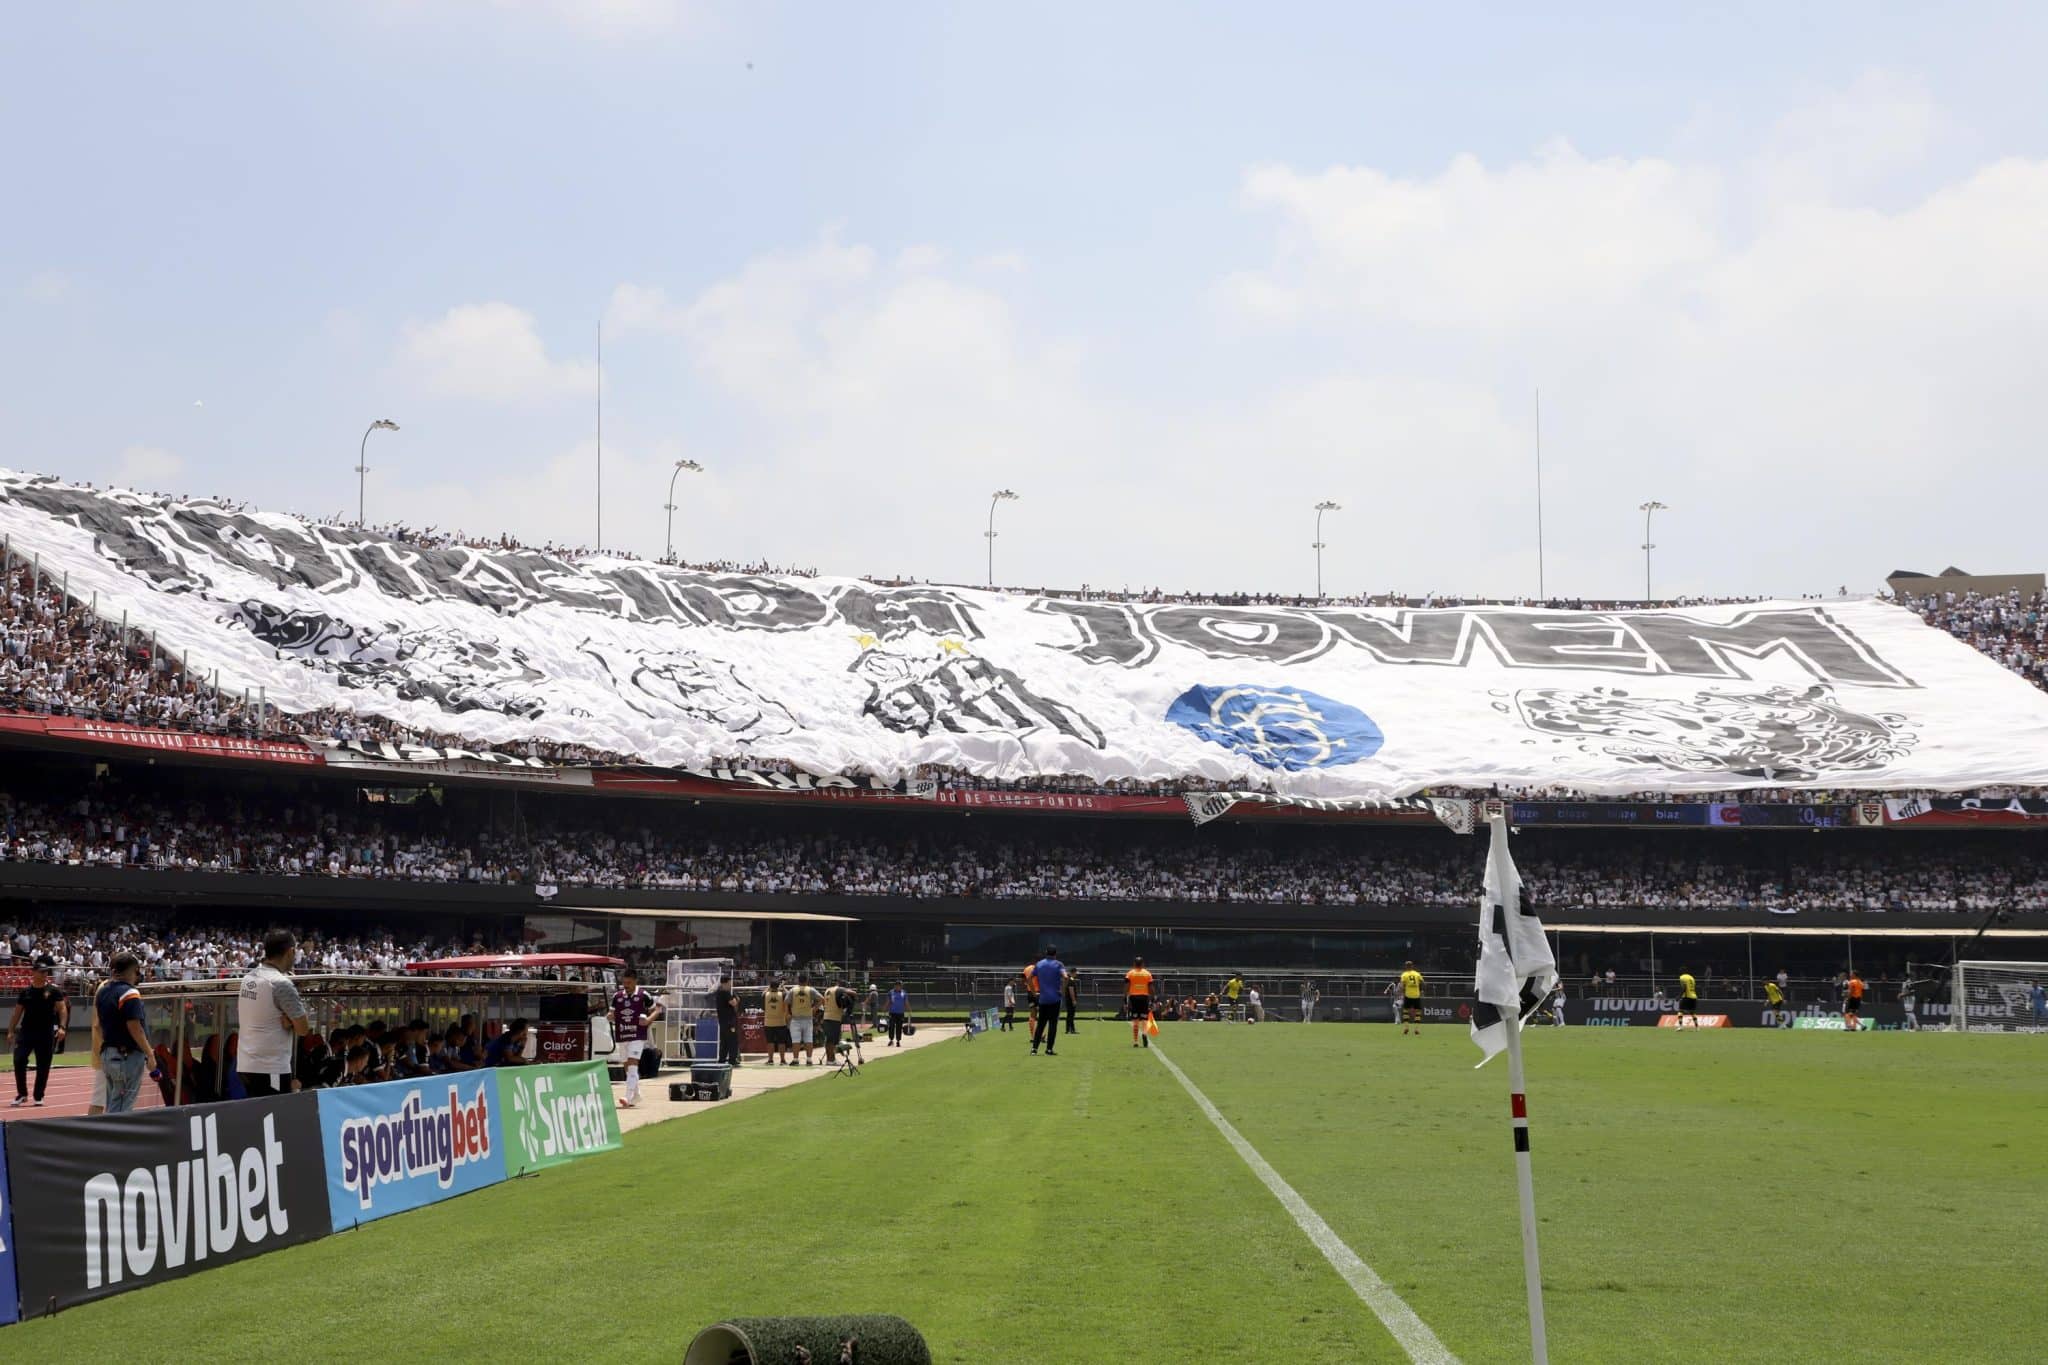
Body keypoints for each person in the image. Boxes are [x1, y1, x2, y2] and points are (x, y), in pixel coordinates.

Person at [236, 930, 311, 1098]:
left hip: (246, 1064)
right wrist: (291, 1022)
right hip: (271, 1068)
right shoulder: (281, 983)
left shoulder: (248, 978)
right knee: (274, 1120)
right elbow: (303, 1029)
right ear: (290, 951)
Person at [96, 952, 154, 1114]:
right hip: (126, 1056)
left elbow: (99, 1025)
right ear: (134, 970)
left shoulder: (103, 991)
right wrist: (150, 1054)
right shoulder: (130, 993)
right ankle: (114, 1138)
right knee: (122, 1107)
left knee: (113, 1102)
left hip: (109, 1053)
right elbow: (135, 1026)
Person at [8, 954, 67, 1107]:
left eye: (46, 972)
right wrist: (10, 1031)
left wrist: (62, 1027)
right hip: (26, 1032)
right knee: (19, 1059)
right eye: (41, 971)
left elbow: (62, 1009)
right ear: (33, 973)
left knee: (43, 1065)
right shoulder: (25, 992)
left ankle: (38, 1095)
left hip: (46, 1032)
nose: (44, 974)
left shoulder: (53, 991)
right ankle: (22, 1094)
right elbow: (17, 1013)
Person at [609, 970, 663, 1107]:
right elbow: (611, 1013)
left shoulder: (644, 995)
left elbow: (657, 1010)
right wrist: (609, 1017)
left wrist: (648, 1020)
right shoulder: (617, 996)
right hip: (622, 1034)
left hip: (638, 1034)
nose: (625, 985)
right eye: (624, 982)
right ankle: (636, 1095)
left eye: (628, 983)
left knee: (633, 1063)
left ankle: (627, 1097)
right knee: (627, 1066)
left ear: (635, 981)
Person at [1030, 946, 1065, 1056]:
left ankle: (1034, 1049)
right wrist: (1062, 990)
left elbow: (1028, 978)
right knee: (1053, 1025)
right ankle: (1049, 1049)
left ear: (1046, 953)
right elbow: (1066, 977)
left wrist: (1034, 992)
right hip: (1055, 999)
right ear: (1055, 954)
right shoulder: (1059, 964)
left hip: (1043, 999)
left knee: (1040, 1024)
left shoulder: (1039, 964)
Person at [787, 975, 822, 1066]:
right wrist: (814, 1009)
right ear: (807, 981)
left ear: (798, 981)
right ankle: (809, 1060)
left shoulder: (793, 990)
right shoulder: (811, 990)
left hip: (796, 1018)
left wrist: (788, 1013)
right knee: (808, 1039)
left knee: (795, 1040)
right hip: (808, 1018)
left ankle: (795, 1059)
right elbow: (822, 999)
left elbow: (786, 1002)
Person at [820, 977, 852, 1064]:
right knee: (832, 1040)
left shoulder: (828, 990)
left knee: (830, 1040)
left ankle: (830, 1059)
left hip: (827, 1016)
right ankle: (831, 1060)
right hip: (834, 1018)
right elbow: (853, 993)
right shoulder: (839, 989)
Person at [762, 979, 792, 1065]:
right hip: (780, 1022)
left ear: (770, 986)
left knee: (770, 1042)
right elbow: (789, 995)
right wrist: (783, 987)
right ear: (778, 987)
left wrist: (769, 987)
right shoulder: (783, 994)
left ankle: (770, 1060)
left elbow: (763, 993)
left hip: (768, 1022)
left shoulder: (765, 995)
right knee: (781, 1042)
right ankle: (782, 1060)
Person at [1125, 957, 1154, 1049]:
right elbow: (1151, 988)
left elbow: (1126, 987)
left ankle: (1135, 1041)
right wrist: (1153, 998)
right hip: (1144, 997)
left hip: (1133, 997)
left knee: (1135, 1020)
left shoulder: (1130, 974)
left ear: (1134, 964)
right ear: (1142, 964)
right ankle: (1145, 1033)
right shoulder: (1147, 974)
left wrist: (1124, 998)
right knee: (1144, 1019)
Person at [713, 975, 741, 1069]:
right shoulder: (725, 992)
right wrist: (735, 998)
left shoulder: (719, 992)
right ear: (726, 982)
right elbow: (734, 1003)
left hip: (723, 1021)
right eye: (730, 982)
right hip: (729, 1021)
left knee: (724, 1042)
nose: (731, 984)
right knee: (732, 1041)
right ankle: (732, 1060)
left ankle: (722, 1060)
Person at [1399, 961, 1424, 1035]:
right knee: (1418, 1012)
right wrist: (1421, 990)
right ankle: (1416, 1029)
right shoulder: (1417, 974)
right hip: (1416, 995)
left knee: (1405, 1011)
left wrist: (1402, 992)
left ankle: (1406, 1027)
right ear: (1412, 966)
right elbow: (1423, 982)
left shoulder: (1404, 974)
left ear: (1406, 966)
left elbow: (1402, 985)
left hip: (1408, 995)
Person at [887, 982, 909, 1047]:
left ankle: (898, 1041)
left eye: (899, 986)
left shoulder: (904, 993)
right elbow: (888, 1001)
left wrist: (909, 1011)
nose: (898, 987)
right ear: (895, 986)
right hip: (892, 1013)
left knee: (899, 1027)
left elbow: (906, 1002)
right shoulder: (891, 992)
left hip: (900, 1013)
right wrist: (885, 1010)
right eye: (897, 985)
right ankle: (891, 1040)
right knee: (891, 1026)